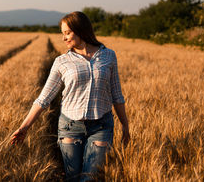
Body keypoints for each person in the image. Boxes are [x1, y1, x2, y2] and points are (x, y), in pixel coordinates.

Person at [10, 11, 130, 181]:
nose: (64, 38)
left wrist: (125, 125)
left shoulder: (108, 55)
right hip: (70, 127)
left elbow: (117, 94)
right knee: (73, 178)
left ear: (80, 30)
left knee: (90, 177)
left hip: (101, 126)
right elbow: (44, 98)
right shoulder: (62, 62)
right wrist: (24, 127)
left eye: (67, 33)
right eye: (62, 34)